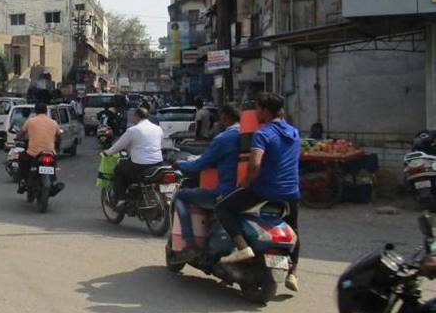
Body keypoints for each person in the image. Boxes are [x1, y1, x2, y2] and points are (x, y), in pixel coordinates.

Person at [215, 92, 301, 292]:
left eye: (258, 109)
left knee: (223, 207)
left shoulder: (263, 134)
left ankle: (243, 247)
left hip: (265, 190)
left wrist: (246, 182)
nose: (256, 113)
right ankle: (294, 274)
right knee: (294, 229)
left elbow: (254, 163)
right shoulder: (294, 133)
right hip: (291, 192)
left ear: (264, 111)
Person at [173, 104, 242, 259]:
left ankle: (190, 243)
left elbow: (200, 165)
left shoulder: (224, 138)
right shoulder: (251, 136)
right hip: (247, 193)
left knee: (181, 196)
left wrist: (180, 165)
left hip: (225, 193)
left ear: (225, 118)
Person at [104, 107, 164, 203]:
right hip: (158, 163)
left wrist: (107, 152)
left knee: (119, 170)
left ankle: (121, 199)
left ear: (136, 116)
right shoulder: (158, 129)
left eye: (133, 116)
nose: (132, 118)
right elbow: (160, 144)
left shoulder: (133, 130)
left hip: (140, 165)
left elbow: (119, 145)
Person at [17, 103, 64, 196]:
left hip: (33, 153)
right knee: (53, 165)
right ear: (46, 111)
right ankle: (52, 180)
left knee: (21, 158)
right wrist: (57, 146)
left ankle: (23, 180)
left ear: (35, 111)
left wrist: (20, 137)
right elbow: (59, 136)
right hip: (50, 152)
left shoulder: (30, 121)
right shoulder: (53, 122)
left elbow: (22, 133)